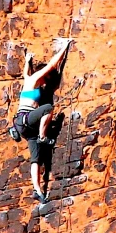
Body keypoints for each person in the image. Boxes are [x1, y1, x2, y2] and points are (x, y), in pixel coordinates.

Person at [11, 37, 72, 200]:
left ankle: (38, 190)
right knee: (48, 109)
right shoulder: (35, 79)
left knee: (36, 159)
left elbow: (25, 73)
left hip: (23, 125)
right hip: (27, 119)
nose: (47, 80)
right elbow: (52, 64)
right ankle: (43, 136)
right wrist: (64, 48)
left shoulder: (28, 81)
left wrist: (27, 60)